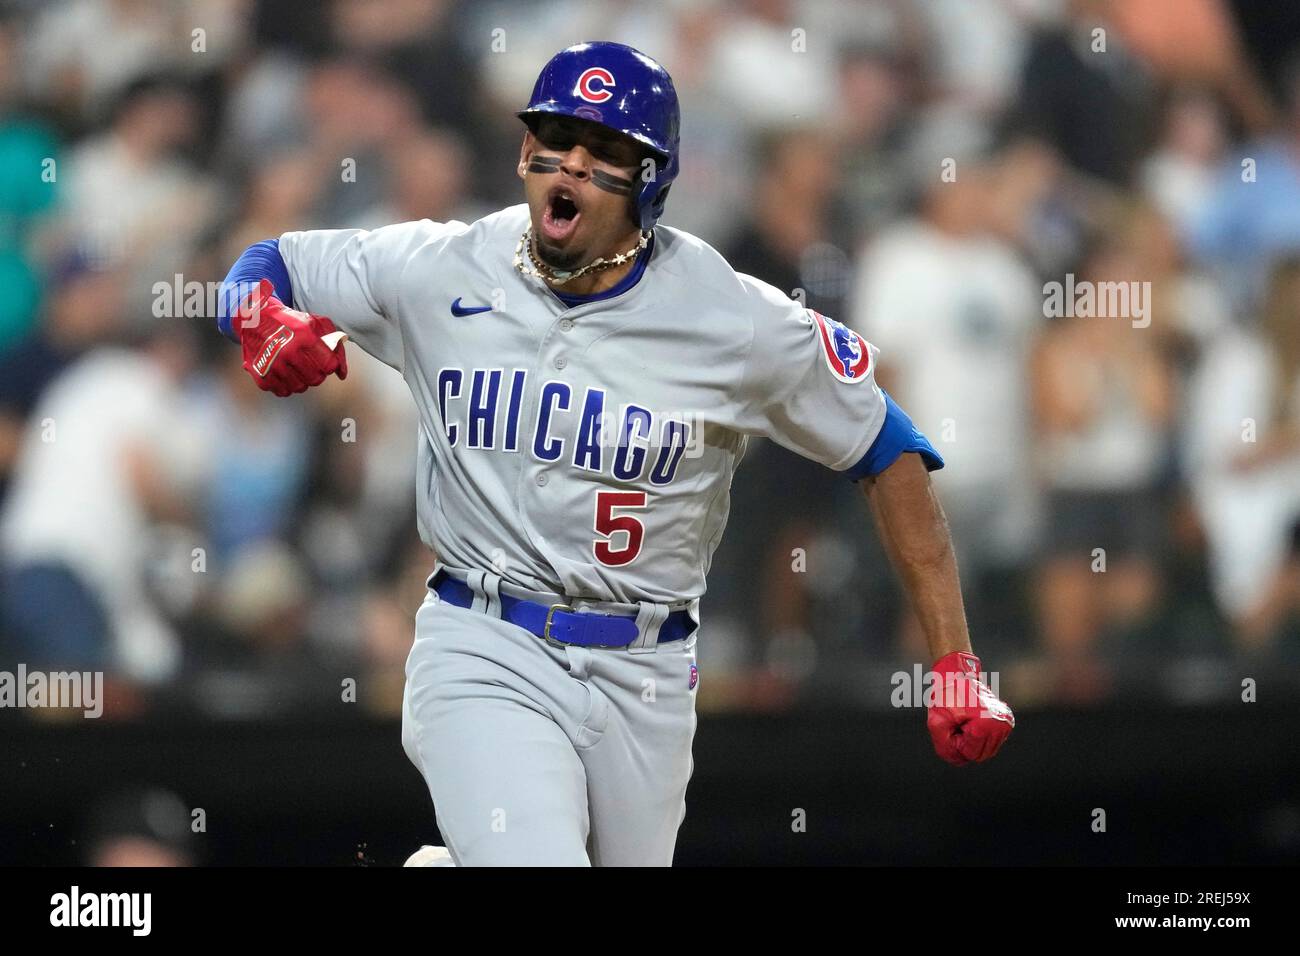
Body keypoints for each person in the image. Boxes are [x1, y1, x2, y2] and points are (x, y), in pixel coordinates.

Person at [213, 42, 1014, 867]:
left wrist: (954, 661)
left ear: (652, 183)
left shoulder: (730, 320)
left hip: (649, 672)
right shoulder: (441, 268)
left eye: (604, 154)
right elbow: (264, 262)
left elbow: (887, 448)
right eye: (555, 139)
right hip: (485, 641)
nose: (570, 166)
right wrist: (256, 318)